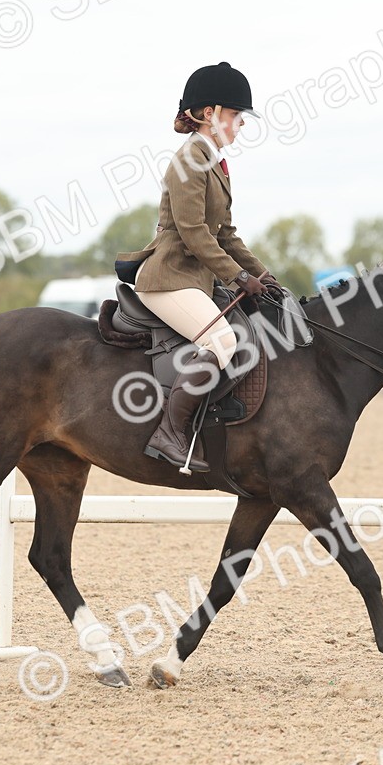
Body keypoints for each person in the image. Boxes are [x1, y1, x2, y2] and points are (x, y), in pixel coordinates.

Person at [116, 61, 276, 474]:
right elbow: (193, 233)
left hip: (194, 279)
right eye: (236, 116)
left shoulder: (214, 161)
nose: (240, 125)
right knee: (223, 342)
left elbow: (226, 234)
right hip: (169, 278)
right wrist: (238, 277)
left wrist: (263, 275)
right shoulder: (190, 159)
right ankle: (170, 432)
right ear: (210, 114)